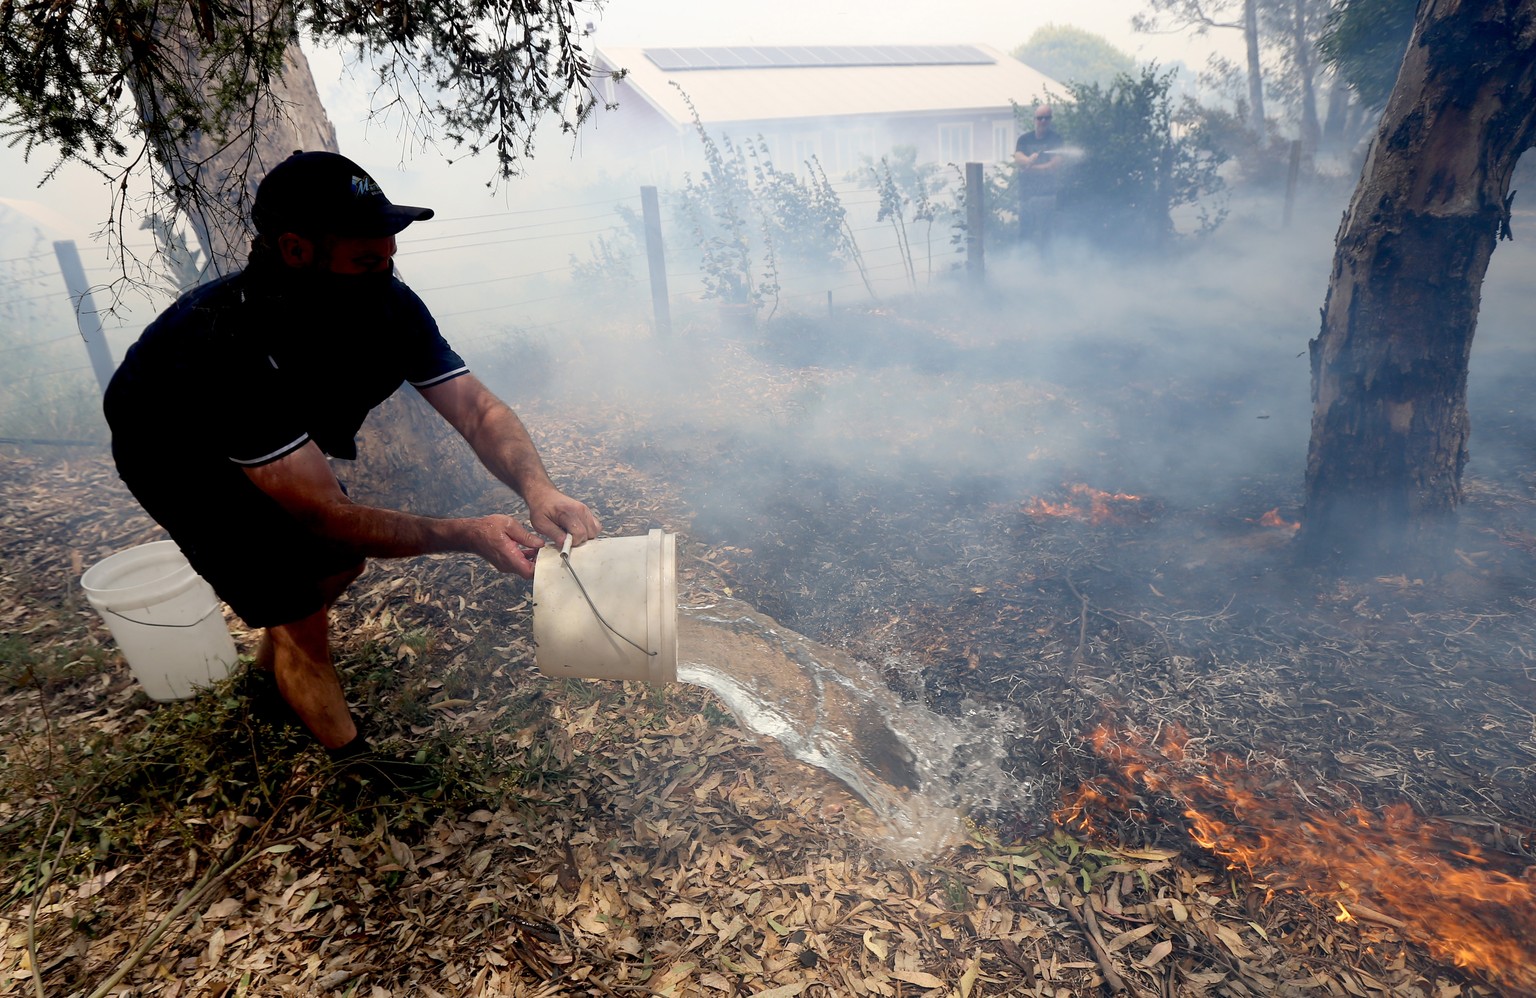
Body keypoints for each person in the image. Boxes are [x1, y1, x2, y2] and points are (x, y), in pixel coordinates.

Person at [104, 151, 602, 770]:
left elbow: (476, 410)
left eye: (391, 255)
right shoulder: (222, 345)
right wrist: (466, 536)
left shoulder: (387, 303)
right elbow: (322, 513)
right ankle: (354, 762)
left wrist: (538, 487)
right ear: (295, 250)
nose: (386, 272)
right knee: (298, 600)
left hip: (275, 443)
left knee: (337, 567)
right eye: (366, 259)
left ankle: (275, 664)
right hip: (177, 451)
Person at [1013, 104, 1065, 245]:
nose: (1043, 121)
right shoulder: (1024, 139)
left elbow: (1054, 166)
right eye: (1039, 118)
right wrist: (1028, 160)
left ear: (1050, 120)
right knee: (1025, 233)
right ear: (1034, 119)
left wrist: (1031, 168)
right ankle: (1023, 261)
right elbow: (1018, 158)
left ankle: (1045, 264)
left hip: (1047, 196)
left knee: (1045, 235)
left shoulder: (1056, 140)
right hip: (1026, 195)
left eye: (1046, 118)